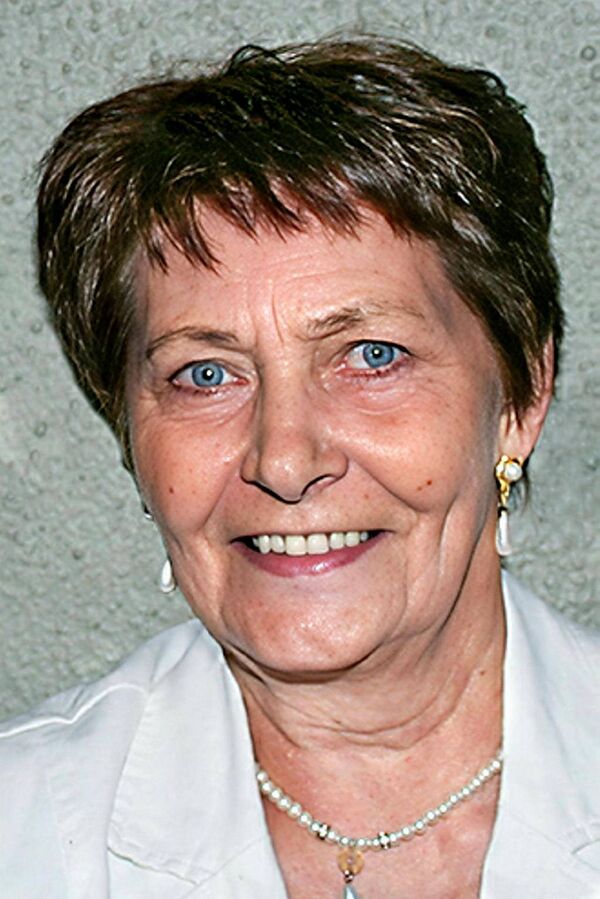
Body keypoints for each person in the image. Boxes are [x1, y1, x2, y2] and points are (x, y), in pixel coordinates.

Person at [1, 36, 599, 899]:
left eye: (372, 355)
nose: (284, 459)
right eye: (206, 374)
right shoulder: (24, 831)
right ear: (130, 433)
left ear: (520, 399)